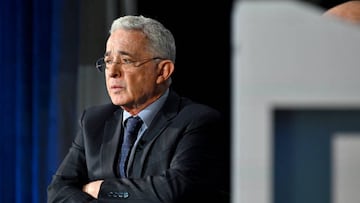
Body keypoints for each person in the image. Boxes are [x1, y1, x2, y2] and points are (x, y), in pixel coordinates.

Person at [47, 15, 229, 203]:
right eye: (108, 61)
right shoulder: (94, 121)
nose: (112, 72)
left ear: (162, 71)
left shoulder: (198, 121)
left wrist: (101, 189)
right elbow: (58, 191)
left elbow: (174, 190)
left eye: (126, 61)